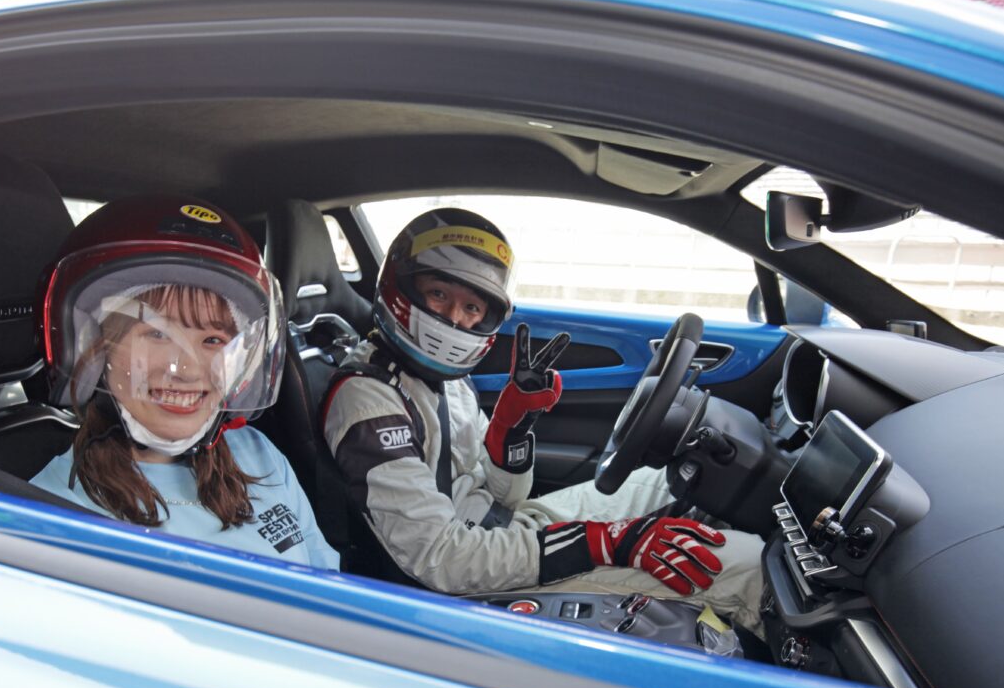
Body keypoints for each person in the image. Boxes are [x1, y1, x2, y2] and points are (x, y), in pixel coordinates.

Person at [322, 208, 763, 633]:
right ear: (403, 288)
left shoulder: (447, 381)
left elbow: (507, 498)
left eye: (472, 307)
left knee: (678, 480)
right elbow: (441, 559)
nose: (455, 319)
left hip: (505, 533)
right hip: (471, 579)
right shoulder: (369, 401)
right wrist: (606, 542)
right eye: (439, 294)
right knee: (747, 566)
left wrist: (509, 431)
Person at [31, 195, 338, 570]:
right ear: (95, 349)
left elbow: (328, 584)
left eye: (213, 340)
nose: (189, 370)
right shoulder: (53, 510)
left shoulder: (258, 454)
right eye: (158, 334)